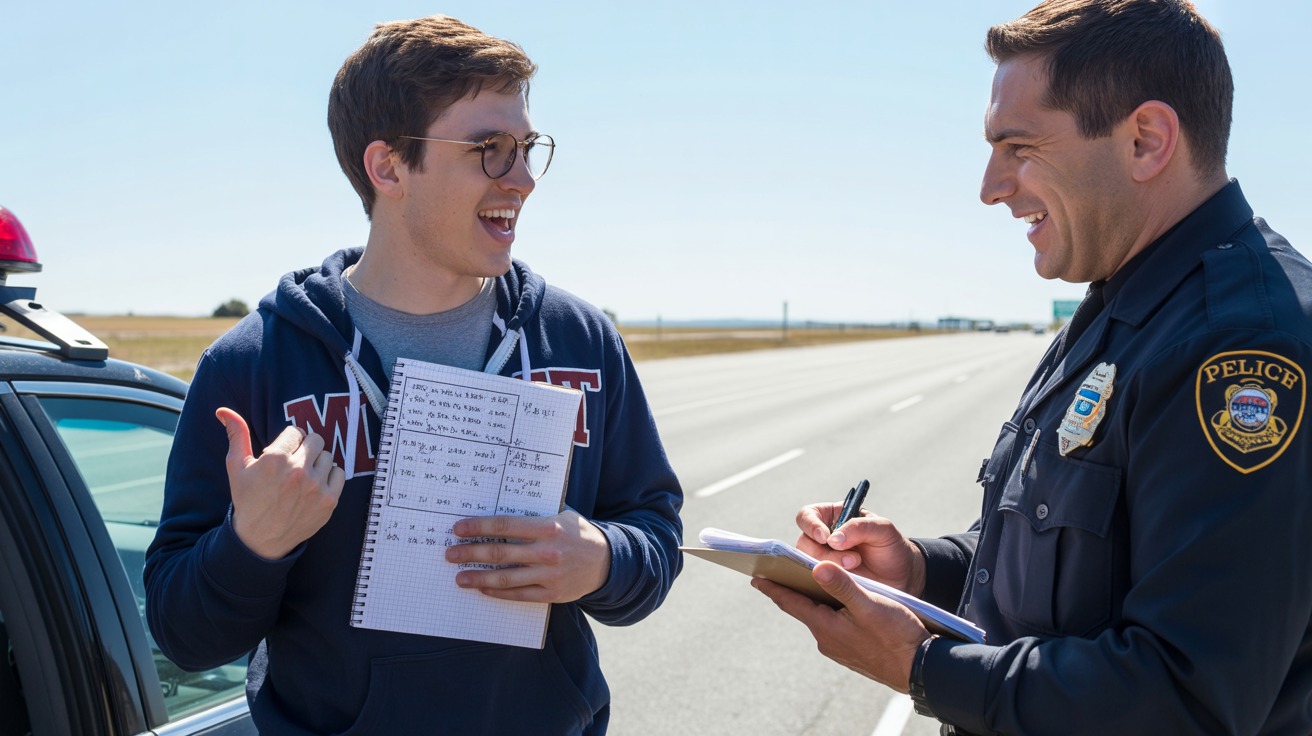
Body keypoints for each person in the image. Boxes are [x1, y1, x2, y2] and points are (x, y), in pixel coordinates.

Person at [754, 1, 1312, 733]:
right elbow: (1063, 558)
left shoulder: (1240, 348)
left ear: (1146, 140)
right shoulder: (1125, 301)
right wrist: (917, 569)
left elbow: (1185, 696)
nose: (991, 186)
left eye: (1018, 146)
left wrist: (922, 668)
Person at [144, 15, 683, 735]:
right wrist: (251, 545)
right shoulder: (255, 364)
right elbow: (182, 633)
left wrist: (602, 560)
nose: (521, 178)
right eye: (489, 149)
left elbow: (655, 536)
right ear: (389, 167)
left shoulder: (579, 342)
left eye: (527, 148)